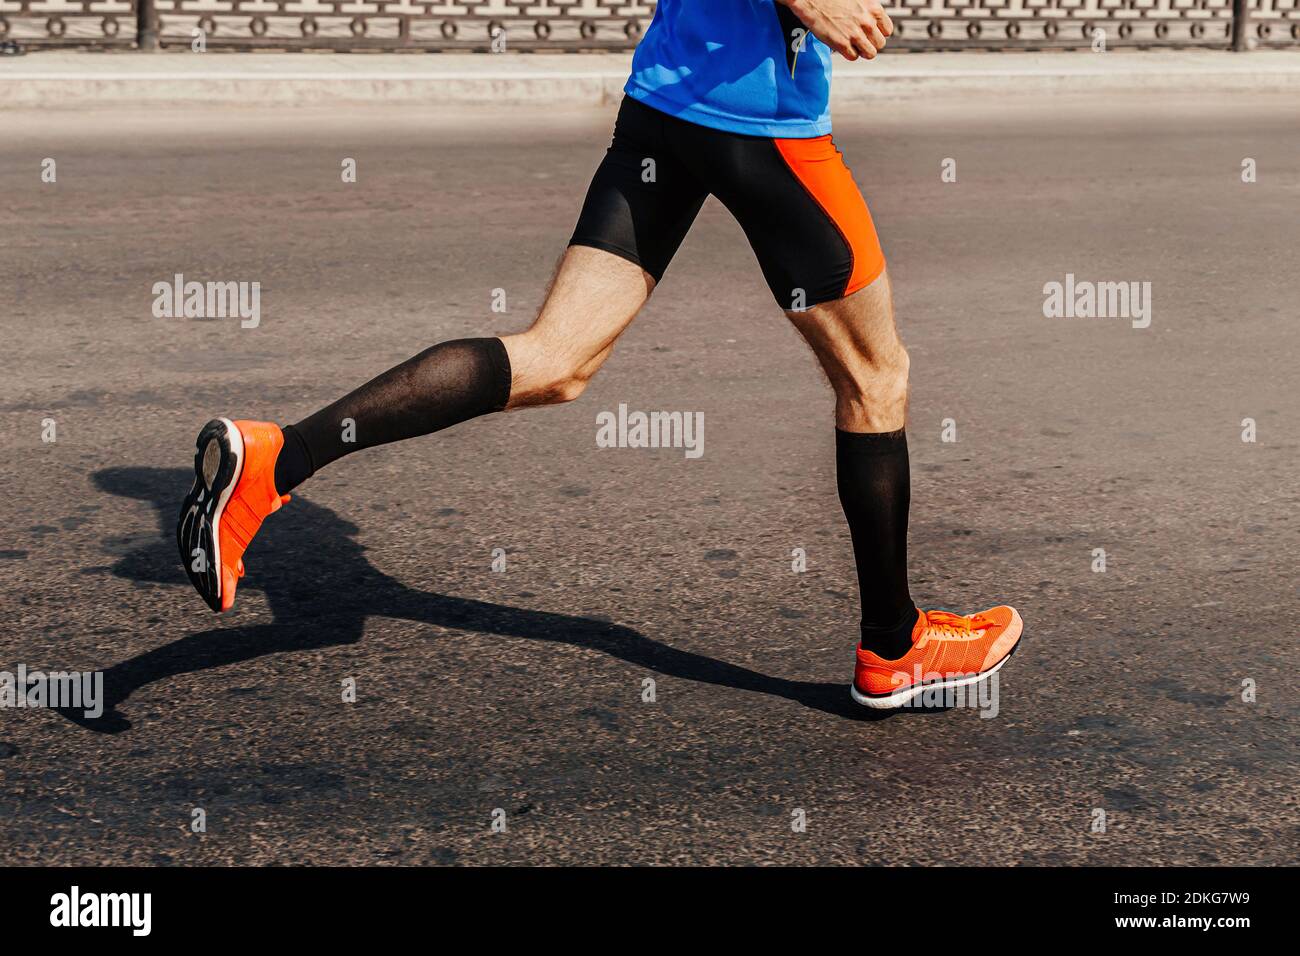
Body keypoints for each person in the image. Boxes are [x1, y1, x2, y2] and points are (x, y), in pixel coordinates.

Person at [176, 0, 1022, 710]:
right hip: (761, 124)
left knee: (555, 359)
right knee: (878, 377)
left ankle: (279, 459)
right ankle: (894, 647)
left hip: (664, 106)